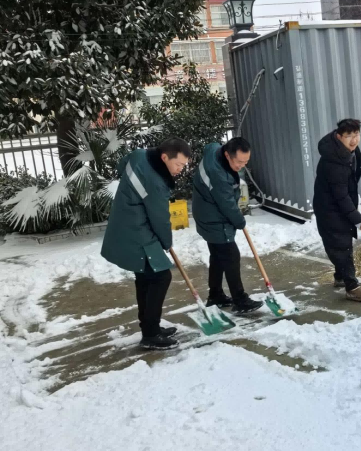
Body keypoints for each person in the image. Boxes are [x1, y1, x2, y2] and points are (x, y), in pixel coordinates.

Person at [101, 138, 191, 351]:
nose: (180, 169)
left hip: (128, 222)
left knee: (145, 277)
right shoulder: (155, 182)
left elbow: (122, 164)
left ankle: (150, 327)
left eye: (184, 165)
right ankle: (150, 334)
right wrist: (166, 242)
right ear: (164, 157)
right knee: (161, 276)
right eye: (178, 164)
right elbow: (160, 218)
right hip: (136, 229)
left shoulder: (140, 156)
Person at [192, 138, 263, 314]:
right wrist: (240, 221)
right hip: (214, 218)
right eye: (239, 162)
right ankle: (240, 300)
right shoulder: (218, 175)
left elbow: (210, 145)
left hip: (205, 211)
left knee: (218, 256)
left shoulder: (214, 150)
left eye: (246, 161)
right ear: (227, 155)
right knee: (231, 256)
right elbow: (227, 205)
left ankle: (215, 295)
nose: (242, 166)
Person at [313, 119, 361, 302]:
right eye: (349, 136)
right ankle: (351, 287)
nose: (354, 140)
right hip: (329, 208)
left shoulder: (349, 151)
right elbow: (340, 194)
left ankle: (340, 276)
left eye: (356, 135)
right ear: (339, 136)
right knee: (342, 245)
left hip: (339, 203)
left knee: (342, 241)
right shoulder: (334, 161)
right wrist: (355, 216)